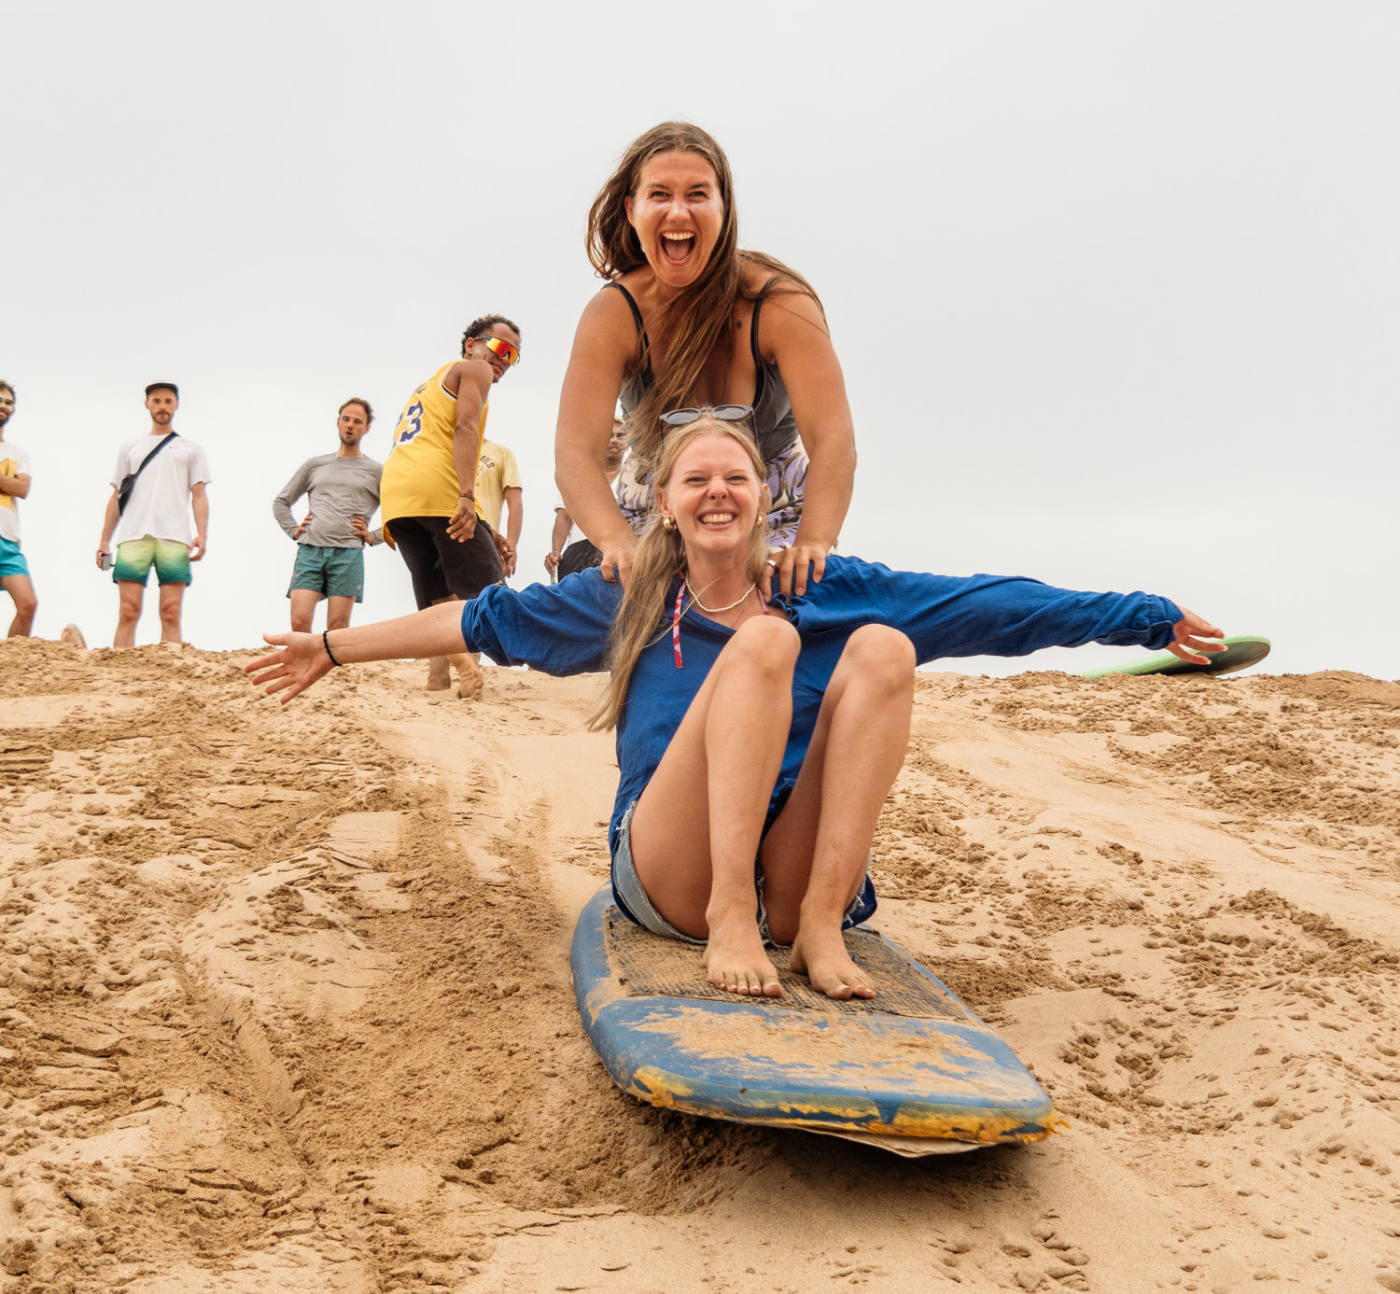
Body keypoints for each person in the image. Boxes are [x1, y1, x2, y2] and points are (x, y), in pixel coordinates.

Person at [247, 412, 1225, 1002]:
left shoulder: (824, 581)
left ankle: (818, 924)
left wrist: (1140, 618)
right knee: (764, 642)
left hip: (792, 868)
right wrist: (332, 646)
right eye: (694, 477)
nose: (716, 489)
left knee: (885, 644)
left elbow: (986, 603)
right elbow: (479, 619)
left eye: (736, 476)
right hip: (673, 872)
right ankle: (727, 914)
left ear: (765, 497)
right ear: (664, 501)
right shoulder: (625, 593)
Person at [554, 121, 852, 600]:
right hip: (659, 488)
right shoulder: (612, 315)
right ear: (632, 210)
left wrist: (813, 543)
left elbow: (832, 438)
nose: (678, 211)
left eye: (697, 194)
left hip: (768, 493)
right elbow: (576, 454)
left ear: (723, 208)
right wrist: (617, 544)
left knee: (772, 612)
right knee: (637, 608)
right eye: (659, 195)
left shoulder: (779, 303)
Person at [380, 316, 521, 698]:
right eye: (500, 348)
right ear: (472, 344)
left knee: (437, 597)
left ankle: (444, 676)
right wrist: (465, 496)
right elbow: (465, 429)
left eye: (514, 356)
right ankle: (510, 666)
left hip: (398, 497)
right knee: (488, 591)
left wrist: (488, 527)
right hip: (438, 490)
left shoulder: (430, 383)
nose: (505, 360)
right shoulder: (475, 370)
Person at [97, 383, 211, 648]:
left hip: (174, 536)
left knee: (171, 612)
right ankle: (119, 671)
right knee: (128, 610)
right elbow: (116, 495)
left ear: (177, 405)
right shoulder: (131, 447)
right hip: (133, 534)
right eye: (157, 401)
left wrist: (202, 534)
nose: (162, 406)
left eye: (168, 401)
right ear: (146, 404)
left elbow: (199, 495)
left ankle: (170, 671)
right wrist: (104, 540)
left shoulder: (190, 448)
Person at [272, 397, 384, 632]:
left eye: (357, 421)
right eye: (346, 419)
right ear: (338, 422)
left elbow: (401, 515)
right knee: (299, 622)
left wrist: (374, 536)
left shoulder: (376, 471)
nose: (350, 425)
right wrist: (293, 530)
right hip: (310, 551)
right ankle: (302, 667)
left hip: (348, 554)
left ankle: (332, 670)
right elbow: (281, 502)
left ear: (366, 428)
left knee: (337, 627)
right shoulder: (315, 465)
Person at [547, 417, 627, 581]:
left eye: (620, 436)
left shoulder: (635, 476)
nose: (614, 440)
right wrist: (556, 551)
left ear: (629, 442)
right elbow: (564, 517)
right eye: (609, 435)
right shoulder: (580, 476)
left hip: (622, 547)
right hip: (579, 548)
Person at [0, 381, 37, 638]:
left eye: (8, 402)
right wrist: (9, 482)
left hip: (8, 543)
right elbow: (15, 484)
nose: (3, 406)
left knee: (27, 605)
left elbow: (23, 489)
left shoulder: (18, 453)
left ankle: (9, 665)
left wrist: (13, 484)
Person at [472, 438, 522, 580]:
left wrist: (510, 548)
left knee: (486, 596)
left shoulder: (502, 454)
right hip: (446, 536)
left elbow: (515, 502)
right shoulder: (444, 451)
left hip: (486, 540)